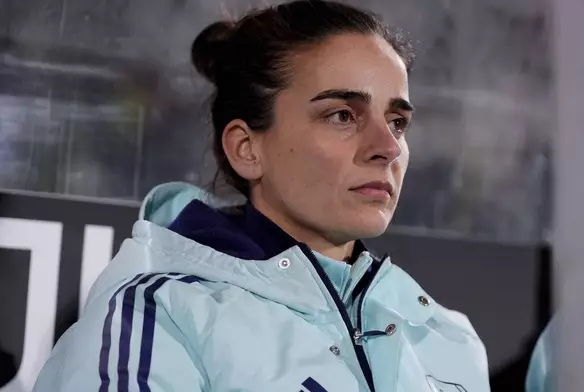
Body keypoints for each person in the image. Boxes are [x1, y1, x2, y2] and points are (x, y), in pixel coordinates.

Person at [33, 1, 490, 391]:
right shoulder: (156, 316)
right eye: (342, 115)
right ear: (246, 149)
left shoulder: (446, 337)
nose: (387, 147)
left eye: (397, 121)